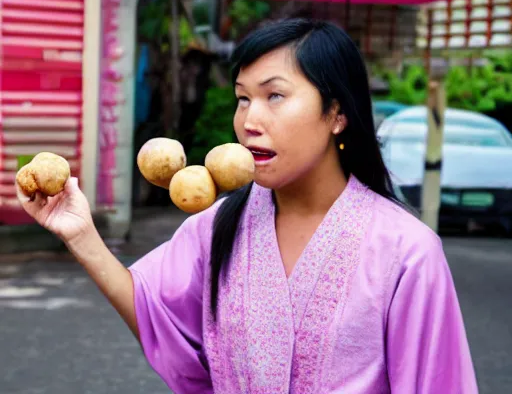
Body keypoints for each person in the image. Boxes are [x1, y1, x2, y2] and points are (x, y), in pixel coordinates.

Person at [18, 19, 478, 394]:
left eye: (274, 95)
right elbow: (156, 317)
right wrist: (79, 234)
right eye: (243, 98)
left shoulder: (407, 251)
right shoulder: (219, 225)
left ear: (337, 113)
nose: (249, 121)